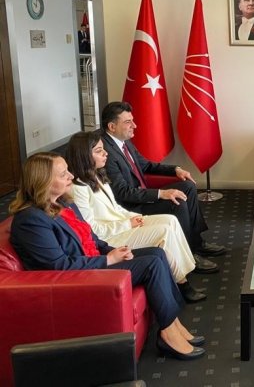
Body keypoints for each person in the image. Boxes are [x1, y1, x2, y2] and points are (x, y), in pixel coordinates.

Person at [9, 153, 206, 361]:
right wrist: (108, 260)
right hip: (77, 277)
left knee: (157, 253)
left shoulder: (64, 204)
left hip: (92, 261)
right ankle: (168, 333)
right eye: (63, 174)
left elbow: (93, 239)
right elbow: (59, 265)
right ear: (43, 181)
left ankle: (173, 323)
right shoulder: (30, 220)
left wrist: (115, 250)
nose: (71, 176)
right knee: (151, 264)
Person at [65, 130, 206, 303]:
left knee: (171, 220)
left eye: (103, 149)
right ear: (84, 156)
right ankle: (183, 283)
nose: (105, 153)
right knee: (163, 231)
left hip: (122, 223)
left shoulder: (96, 175)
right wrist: (127, 224)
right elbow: (91, 230)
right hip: (111, 236)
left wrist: (137, 217)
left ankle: (184, 272)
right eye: (99, 151)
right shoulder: (78, 188)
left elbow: (115, 208)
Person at [100, 101, 227, 275]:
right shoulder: (106, 152)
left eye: (133, 120)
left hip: (141, 195)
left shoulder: (123, 142)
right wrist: (161, 194)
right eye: (128, 122)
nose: (134, 126)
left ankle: (196, 243)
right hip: (130, 207)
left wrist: (175, 169)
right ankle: (189, 255)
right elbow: (122, 193)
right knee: (176, 202)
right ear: (112, 126)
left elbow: (145, 165)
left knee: (188, 186)